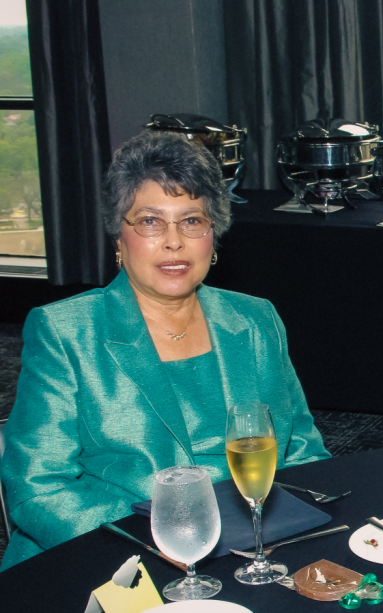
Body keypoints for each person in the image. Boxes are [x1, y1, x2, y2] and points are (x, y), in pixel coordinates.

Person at [0, 132, 330, 570]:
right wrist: (154, 549)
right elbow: (38, 487)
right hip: (114, 553)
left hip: (254, 549)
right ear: (118, 236)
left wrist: (295, 531)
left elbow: (304, 452)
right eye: (151, 221)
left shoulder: (256, 320)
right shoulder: (65, 331)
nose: (174, 241)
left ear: (213, 235)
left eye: (191, 221)